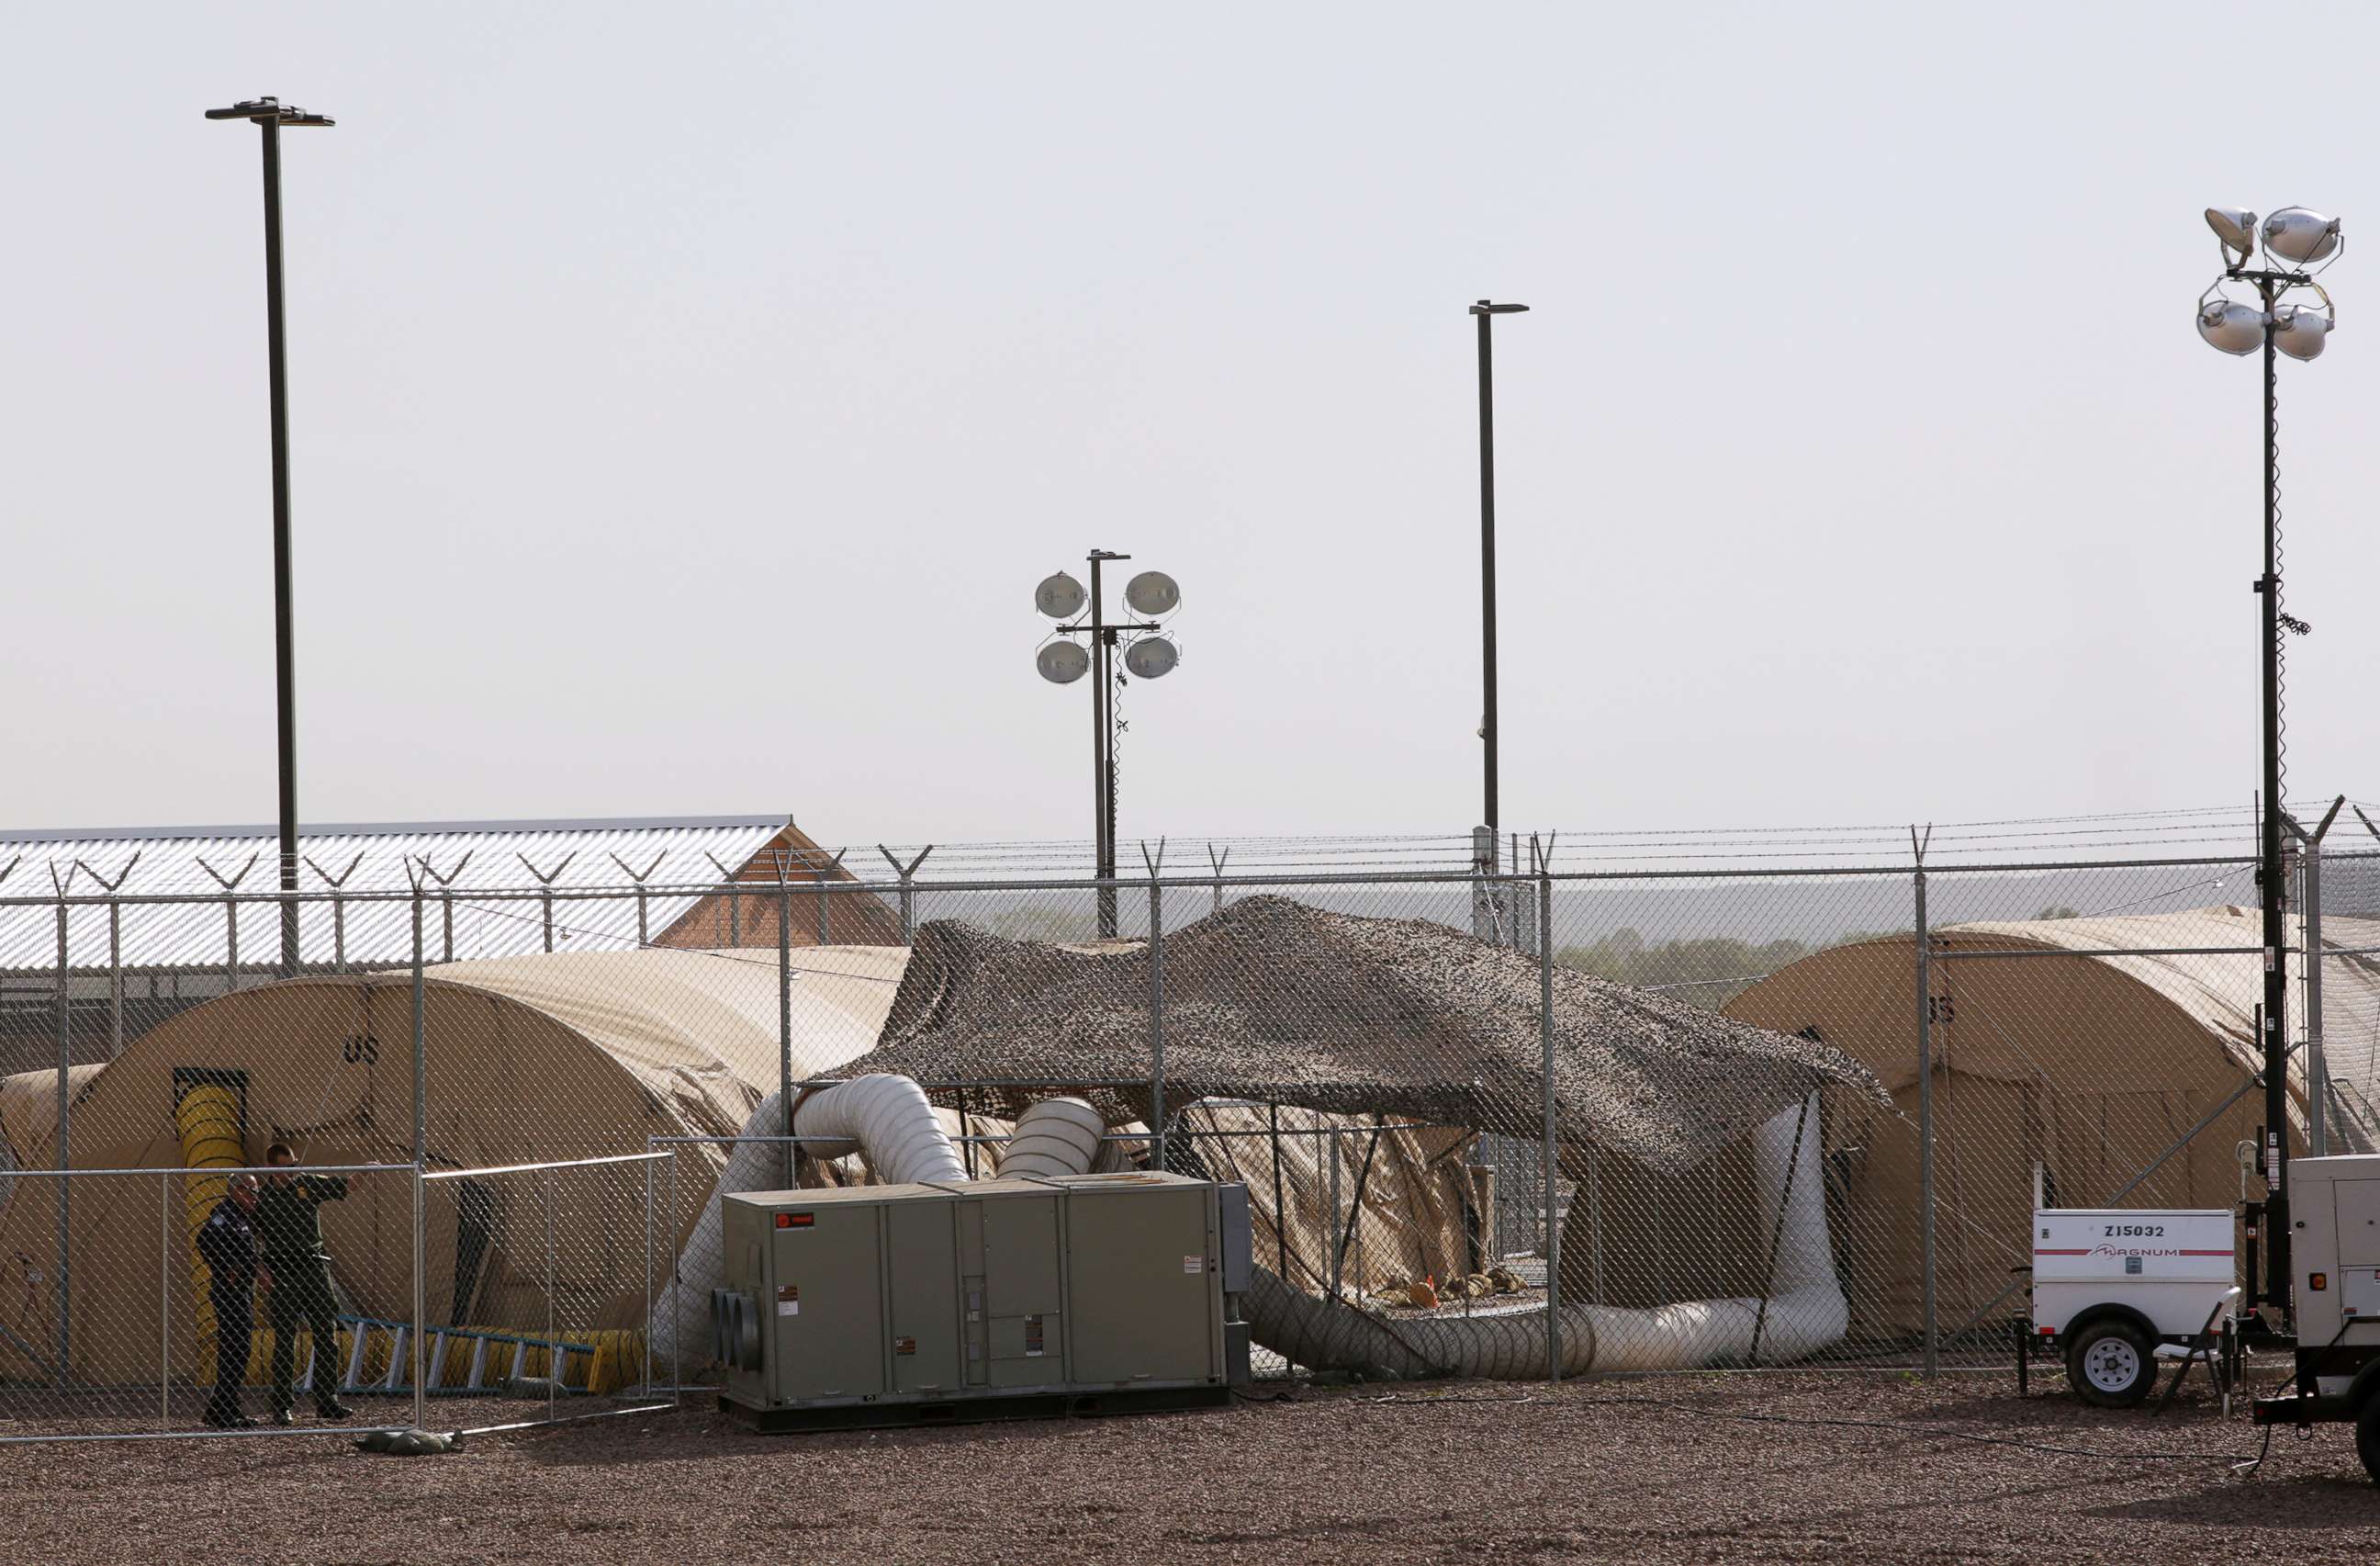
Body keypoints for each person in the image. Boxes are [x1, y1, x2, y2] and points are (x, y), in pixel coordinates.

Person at [256, 1142, 355, 1425]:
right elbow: (250, 1237)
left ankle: (327, 1401)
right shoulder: (262, 1198)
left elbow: (346, 1187)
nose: (292, 1172)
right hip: (282, 1272)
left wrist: (366, 1173)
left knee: (326, 1336)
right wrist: (260, 1268)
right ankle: (281, 1405)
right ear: (271, 1169)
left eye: (294, 1165)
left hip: (313, 1268)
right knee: (285, 1340)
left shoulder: (307, 1185)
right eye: (286, 1168)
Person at [195, 1173, 264, 1428]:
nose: (255, 1197)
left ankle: (222, 1406)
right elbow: (205, 1240)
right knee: (236, 1347)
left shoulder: (241, 1217)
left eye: (256, 1192)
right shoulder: (225, 1215)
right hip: (229, 1291)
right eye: (251, 1191)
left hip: (241, 1290)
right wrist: (227, 1268)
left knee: (237, 1349)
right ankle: (224, 1409)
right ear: (237, 1191)